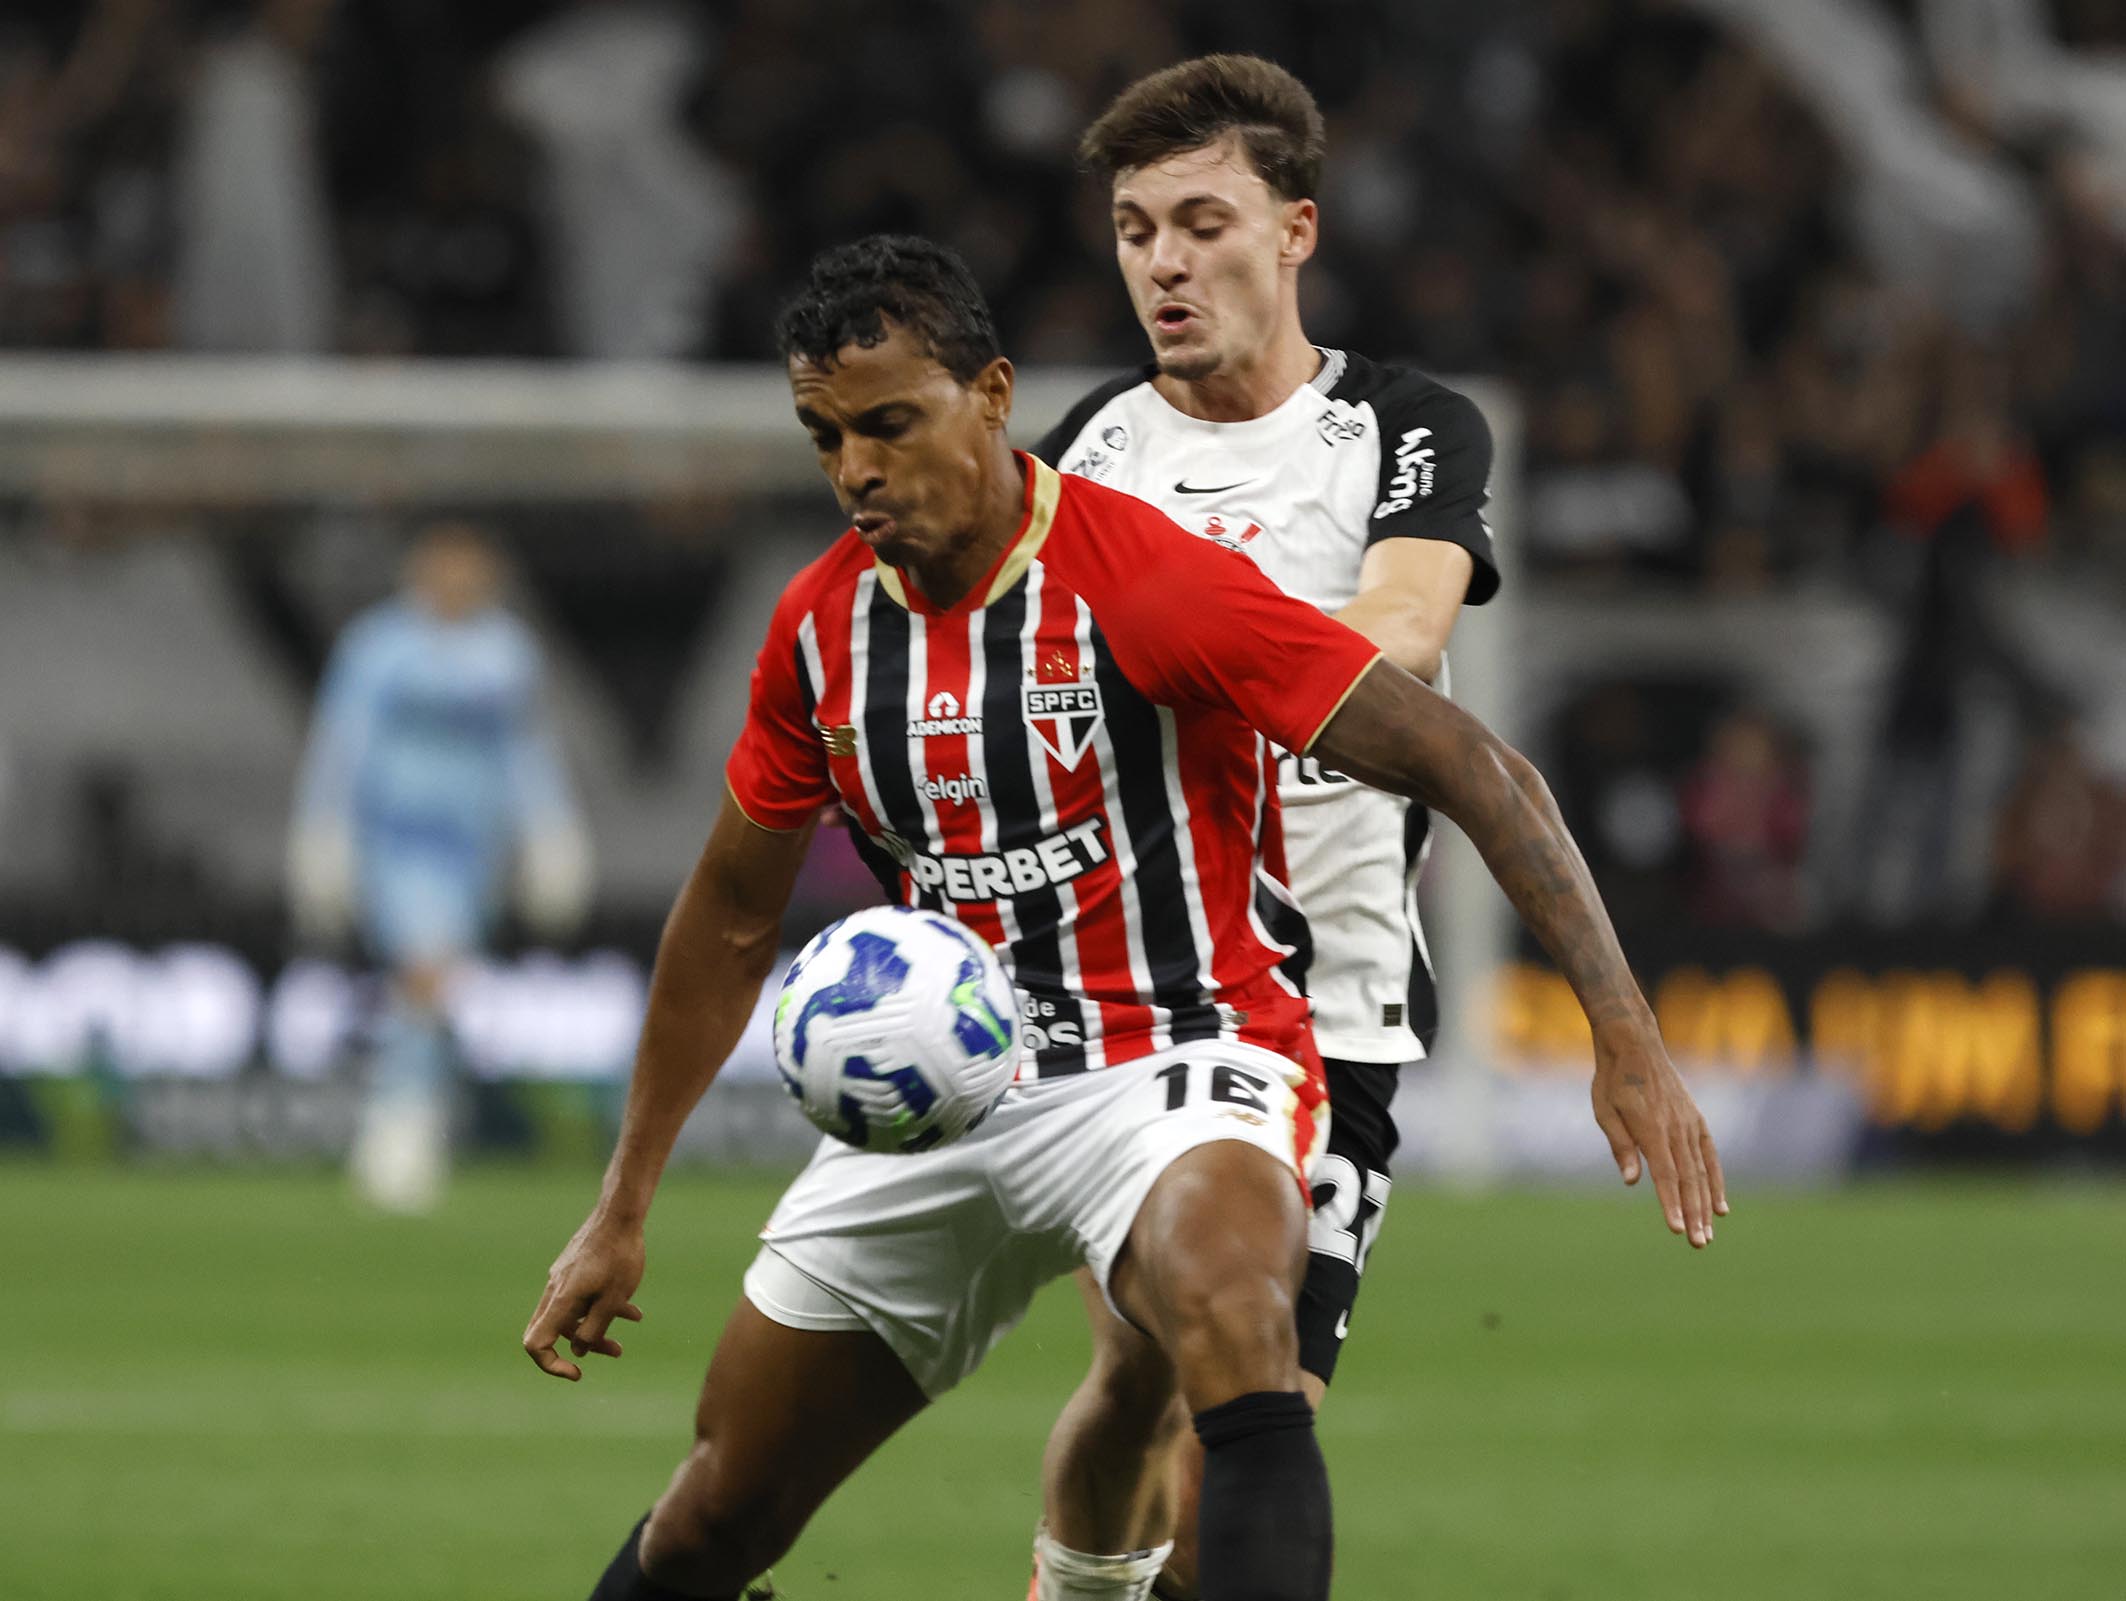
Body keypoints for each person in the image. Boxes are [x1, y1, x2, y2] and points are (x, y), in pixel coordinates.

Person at [520, 236, 1724, 1601]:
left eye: (888, 424)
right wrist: (620, 1204)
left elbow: (1472, 764)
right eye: (825, 437)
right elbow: (733, 917)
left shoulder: (1143, 579)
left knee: (1234, 1319)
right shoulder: (818, 634)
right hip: (938, 1098)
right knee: (715, 1514)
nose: (855, 469)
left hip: (1173, 1057)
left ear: (991, 395)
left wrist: (1622, 1032)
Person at [1022, 54, 1555, 1600]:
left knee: (1235, 1447)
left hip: (1333, 1014)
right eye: (1136, 231)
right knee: (1146, 1398)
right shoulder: (1089, 447)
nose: (1164, 265)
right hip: (1133, 1010)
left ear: (1294, 230)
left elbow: (1399, 632)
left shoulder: (1403, 427)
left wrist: (1187, 661)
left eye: (1203, 224)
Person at [289, 522, 591, 1211]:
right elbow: (342, 742)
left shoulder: (507, 652)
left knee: (438, 980)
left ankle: (416, 1107)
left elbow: (527, 752)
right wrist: (322, 830)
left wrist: (551, 833)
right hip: (398, 840)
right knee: (425, 968)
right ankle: (401, 1121)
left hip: (474, 850)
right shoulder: (378, 647)